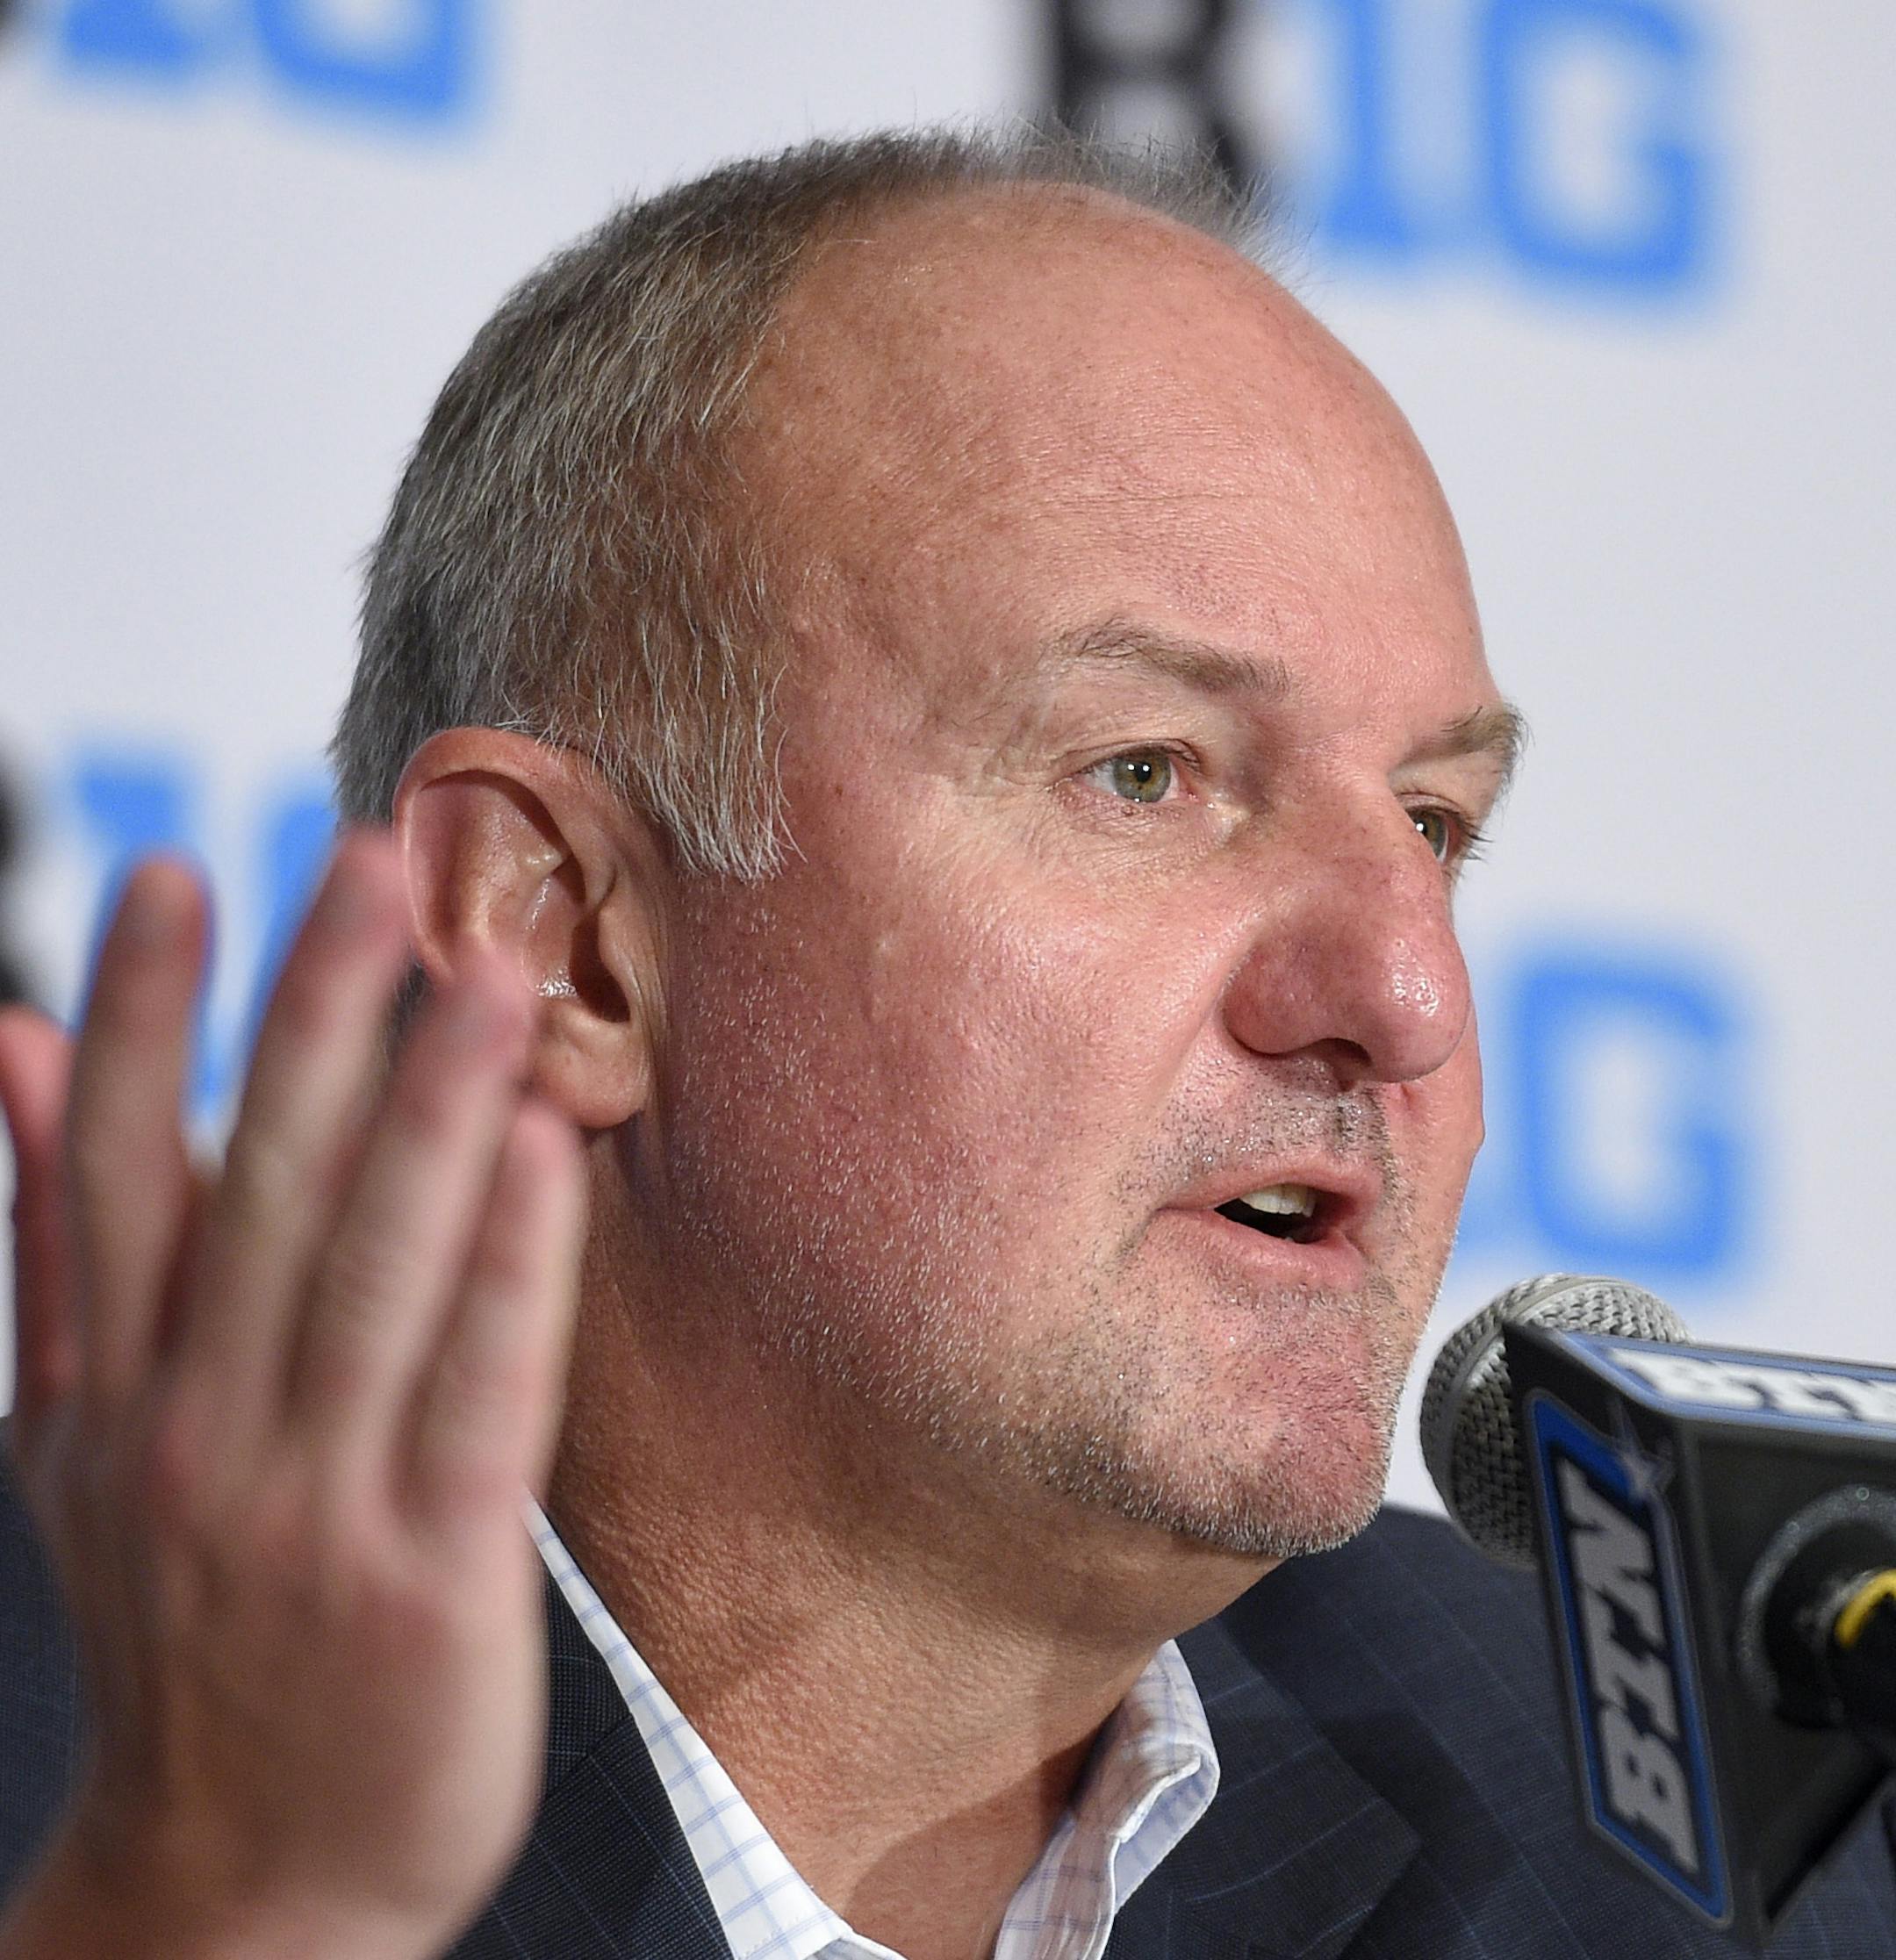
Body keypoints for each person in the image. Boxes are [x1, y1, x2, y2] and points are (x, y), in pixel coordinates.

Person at [0, 128, 1890, 1960]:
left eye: (1432, 825)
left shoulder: (1702, 1844)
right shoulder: (100, 1827)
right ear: (563, 940)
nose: (1407, 1001)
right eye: (1145, 774)